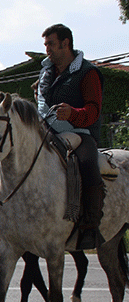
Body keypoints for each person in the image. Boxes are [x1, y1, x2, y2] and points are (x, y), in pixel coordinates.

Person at [37, 24, 105, 249]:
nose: (47, 49)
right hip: (47, 132)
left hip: (80, 133)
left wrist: (73, 114)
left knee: (87, 162)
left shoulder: (88, 72)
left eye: (50, 44)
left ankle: (90, 225)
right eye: (45, 44)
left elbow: (94, 111)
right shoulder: (46, 71)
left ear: (66, 43)